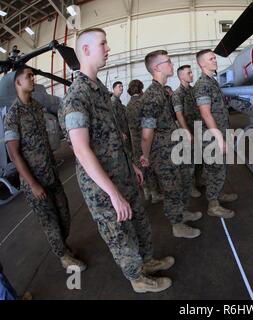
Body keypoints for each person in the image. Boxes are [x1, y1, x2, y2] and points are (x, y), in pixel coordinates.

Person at [59, 28, 173, 293]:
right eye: (103, 44)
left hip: (122, 173)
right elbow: (81, 150)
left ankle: (147, 262)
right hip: (103, 188)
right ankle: (138, 279)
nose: (108, 48)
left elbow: (112, 136)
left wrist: (131, 164)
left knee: (140, 223)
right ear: (86, 50)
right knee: (120, 234)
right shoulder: (76, 97)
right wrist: (113, 194)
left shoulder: (99, 91)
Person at [4, 66, 85, 272]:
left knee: (64, 214)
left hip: (51, 174)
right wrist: (32, 184)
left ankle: (63, 246)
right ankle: (64, 257)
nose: (33, 79)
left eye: (33, 75)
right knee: (50, 221)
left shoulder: (36, 107)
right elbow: (13, 154)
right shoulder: (13, 114)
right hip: (35, 181)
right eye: (28, 76)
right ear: (18, 83)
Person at [140, 50, 202, 239]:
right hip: (163, 153)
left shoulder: (162, 92)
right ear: (157, 67)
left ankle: (182, 212)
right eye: (168, 61)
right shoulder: (152, 95)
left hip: (173, 148)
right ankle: (177, 224)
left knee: (183, 182)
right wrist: (146, 155)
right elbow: (147, 132)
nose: (171, 64)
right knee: (172, 189)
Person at [193, 49, 238, 218]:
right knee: (215, 170)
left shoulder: (212, 82)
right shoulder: (203, 84)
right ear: (202, 64)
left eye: (214, 58)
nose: (215, 60)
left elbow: (219, 111)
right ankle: (213, 205)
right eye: (211, 59)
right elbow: (206, 113)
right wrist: (220, 139)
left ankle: (218, 194)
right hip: (212, 137)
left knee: (221, 168)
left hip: (219, 133)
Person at [125, 79, 164, 203]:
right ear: (141, 88)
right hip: (146, 140)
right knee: (150, 165)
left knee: (141, 167)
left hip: (135, 142)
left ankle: (146, 191)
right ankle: (155, 193)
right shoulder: (143, 102)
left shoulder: (128, 106)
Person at [172, 65, 202, 198]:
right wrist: (187, 132)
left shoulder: (194, 90)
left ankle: (199, 180)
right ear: (181, 76)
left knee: (200, 157)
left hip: (198, 128)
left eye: (191, 72)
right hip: (187, 131)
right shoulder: (177, 94)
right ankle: (190, 187)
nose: (191, 75)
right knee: (189, 162)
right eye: (188, 73)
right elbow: (179, 115)